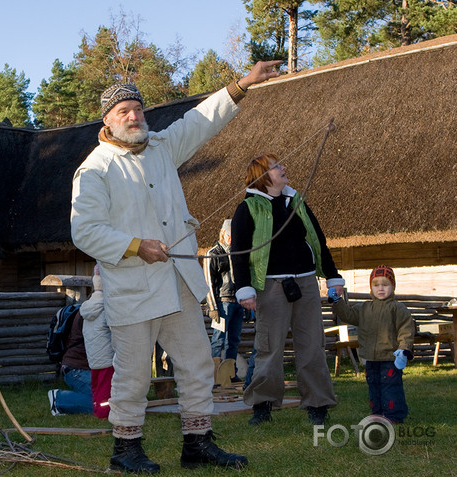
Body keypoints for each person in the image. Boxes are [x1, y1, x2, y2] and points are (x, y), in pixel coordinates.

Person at [71, 60, 281, 474]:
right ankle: (125, 450)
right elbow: (85, 231)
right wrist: (135, 246)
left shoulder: (162, 147)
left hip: (178, 282)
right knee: (131, 375)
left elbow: (200, 121)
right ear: (108, 121)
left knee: (198, 363)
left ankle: (197, 443)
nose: (134, 117)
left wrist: (242, 84)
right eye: (124, 112)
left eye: (138, 109)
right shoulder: (94, 169)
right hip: (133, 286)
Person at [231, 153, 343, 427]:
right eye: (277, 166)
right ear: (262, 176)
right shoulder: (248, 209)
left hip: (305, 282)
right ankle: (263, 405)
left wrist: (332, 276)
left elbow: (319, 241)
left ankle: (317, 404)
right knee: (269, 347)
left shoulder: (298, 203)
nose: (284, 168)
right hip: (271, 286)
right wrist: (244, 288)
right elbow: (238, 252)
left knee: (312, 345)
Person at [329, 265, 414, 423]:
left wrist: (403, 350)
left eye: (385, 284)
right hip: (370, 358)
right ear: (371, 287)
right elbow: (348, 315)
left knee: (390, 387)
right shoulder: (364, 308)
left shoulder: (398, 309)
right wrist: (337, 301)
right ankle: (378, 412)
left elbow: (406, 331)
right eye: (376, 285)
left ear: (393, 286)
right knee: (374, 387)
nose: (380, 288)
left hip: (391, 358)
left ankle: (394, 415)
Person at [205, 219, 244, 382]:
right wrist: (213, 307)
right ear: (223, 233)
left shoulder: (238, 252)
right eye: (229, 235)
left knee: (234, 340)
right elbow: (208, 282)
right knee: (218, 340)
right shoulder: (213, 253)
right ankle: (214, 376)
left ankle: (230, 374)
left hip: (237, 302)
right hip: (222, 302)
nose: (231, 239)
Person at [80, 264, 115, 418]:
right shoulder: (106, 308)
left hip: (93, 357)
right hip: (107, 356)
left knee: (96, 386)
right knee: (106, 389)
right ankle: (104, 413)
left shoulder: (88, 308)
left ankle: (97, 408)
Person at [47, 305, 94, 415]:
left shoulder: (94, 310)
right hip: (76, 370)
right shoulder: (90, 314)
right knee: (106, 401)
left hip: (88, 369)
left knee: (114, 398)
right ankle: (60, 400)